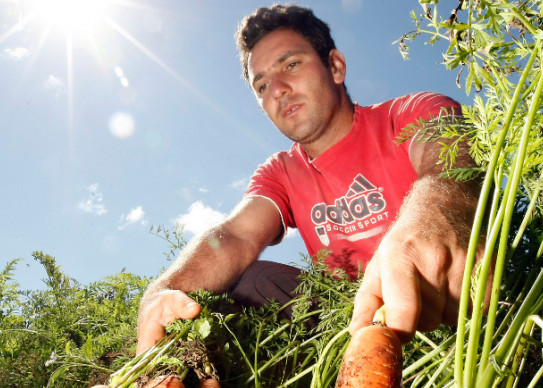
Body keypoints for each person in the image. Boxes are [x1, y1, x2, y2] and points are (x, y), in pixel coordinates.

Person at [136, 4, 480, 354]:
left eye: (292, 65)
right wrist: (163, 291)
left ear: (335, 66)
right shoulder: (281, 172)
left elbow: (449, 166)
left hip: (448, 312)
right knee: (252, 282)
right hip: (345, 326)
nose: (278, 89)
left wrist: (431, 220)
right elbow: (236, 235)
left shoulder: (412, 112)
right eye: (262, 85)